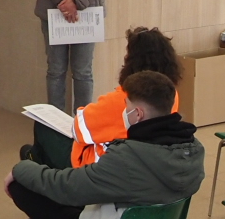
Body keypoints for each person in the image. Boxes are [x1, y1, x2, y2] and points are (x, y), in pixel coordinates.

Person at [4, 71, 202, 219]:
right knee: (56, 212)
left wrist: (21, 169)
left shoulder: (128, 158)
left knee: (26, 189)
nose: (124, 112)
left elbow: (68, 188)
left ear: (138, 114)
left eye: (126, 107)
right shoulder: (193, 151)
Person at [69, 26, 183, 168]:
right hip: (148, 165)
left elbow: (78, 129)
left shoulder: (124, 100)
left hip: (103, 170)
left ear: (133, 61)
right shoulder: (171, 94)